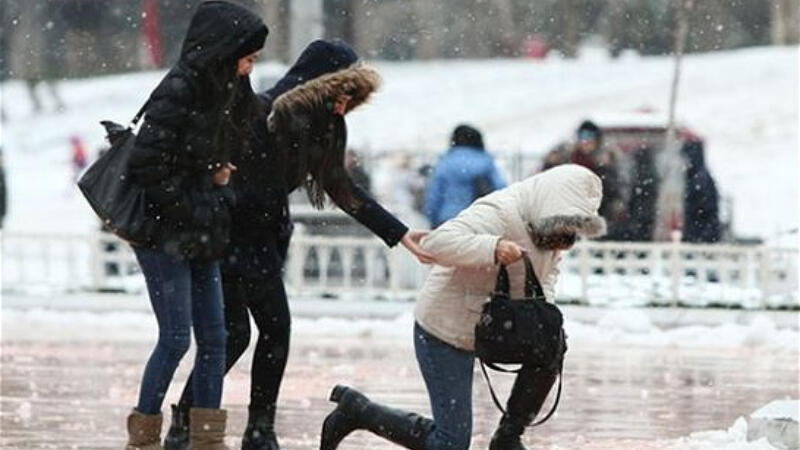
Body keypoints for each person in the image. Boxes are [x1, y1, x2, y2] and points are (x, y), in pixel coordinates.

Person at [163, 40, 433, 450]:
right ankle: (248, 428)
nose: (346, 104)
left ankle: (202, 422)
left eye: (353, 98)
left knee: (238, 334)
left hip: (260, 239)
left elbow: (343, 190)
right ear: (321, 85)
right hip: (229, 235)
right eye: (343, 93)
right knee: (263, 331)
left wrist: (398, 233)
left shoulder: (328, 126)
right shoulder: (265, 110)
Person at [320, 164, 607, 450]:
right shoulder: (499, 211)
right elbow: (437, 243)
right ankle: (357, 410)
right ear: (550, 204)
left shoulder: (553, 231)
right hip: (444, 328)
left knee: (551, 345)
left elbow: (547, 275)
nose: (567, 235)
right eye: (565, 224)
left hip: (492, 325)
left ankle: (508, 437)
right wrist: (492, 248)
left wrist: (543, 319)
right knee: (451, 444)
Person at [123, 2, 267, 449]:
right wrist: (203, 187)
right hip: (163, 233)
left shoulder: (225, 91)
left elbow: (236, 147)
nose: (250, 66)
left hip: (203, 230)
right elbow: (148, 165)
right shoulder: (181, 88)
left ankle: (207, 440)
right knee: (175, 338)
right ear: (225, 50)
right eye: (247, 55)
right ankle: (143, 436)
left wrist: (216, 181)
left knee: (216, 338)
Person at [425, 124, 506, 228]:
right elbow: (501, 190)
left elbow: (434, 195)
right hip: (477, 220)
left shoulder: (445, 163)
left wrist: (432, 219)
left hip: (447, 220)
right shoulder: (486, 162)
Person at [569, 120, 624, 239]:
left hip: (601, 218)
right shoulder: (569, 158)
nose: (585, 141)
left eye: (589, 136)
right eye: (582, 136)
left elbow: (615, 191)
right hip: (572, 217)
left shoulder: (609, 161)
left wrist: (603, 168)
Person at [681, 140, 721, 243]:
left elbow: (702, 210)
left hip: (700, 236)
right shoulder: (698, 176)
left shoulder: (698, 179)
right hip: (702, 234)